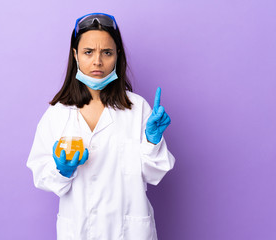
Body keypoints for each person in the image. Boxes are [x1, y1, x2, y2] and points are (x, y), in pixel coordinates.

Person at [27, 12, 175, 240]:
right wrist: (62, 171)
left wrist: (152, 141)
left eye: (107, 52)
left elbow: (153, 174)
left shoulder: (137, 108)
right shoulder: (57, 113)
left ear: (117, 55)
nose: (97, 61)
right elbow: (40, 175)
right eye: (88, 52)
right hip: (79, 231)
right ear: (75, 55)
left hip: (129, 231)